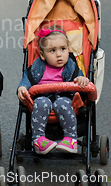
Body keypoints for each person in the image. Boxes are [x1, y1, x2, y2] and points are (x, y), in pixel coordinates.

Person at [17, 27, 90, 155]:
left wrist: (82, 80)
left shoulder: (72, 67)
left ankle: (70, 139)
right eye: (52, 50)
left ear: (68, 49)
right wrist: (22, 87)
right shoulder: (37, 67)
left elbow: (83, 86)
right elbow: (26, 80)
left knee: (62, 103)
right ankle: (39, 139)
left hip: (65, 99)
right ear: (42, 55)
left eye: (63, 49)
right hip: (42, 99)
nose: (59, 54)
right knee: (40, 102)